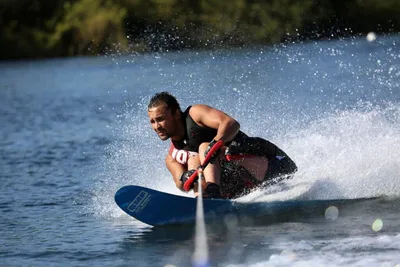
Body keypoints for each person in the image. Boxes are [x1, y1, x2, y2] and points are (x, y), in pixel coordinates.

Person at [147, 92, 297, 199]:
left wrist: (215, 145)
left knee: (203, 148)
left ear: (176, 114)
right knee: (193, 160)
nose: (156, 126)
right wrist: (187, 176)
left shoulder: (195, 114)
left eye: (160, 119)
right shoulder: (172, 156)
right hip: (241, 187)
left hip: (275, 167)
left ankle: (212, 191)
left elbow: (231, 124)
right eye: (152, 121)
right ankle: (204, 200)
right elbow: (180, 184)